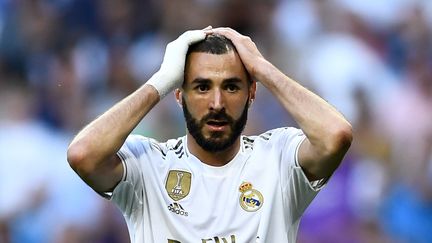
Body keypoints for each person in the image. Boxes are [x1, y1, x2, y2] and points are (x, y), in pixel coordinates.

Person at [67, 26, 353, 243]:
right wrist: (160, 82)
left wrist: (262, 69)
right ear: (179, 94)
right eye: (202, 87)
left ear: (251, 92)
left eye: (231, 87)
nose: (217, 103)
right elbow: (83, 155)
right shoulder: (149, 166)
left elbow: (335, 135)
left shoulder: (277, 158)